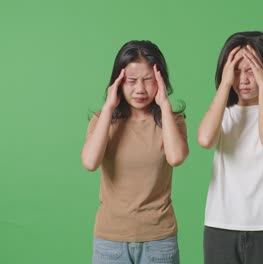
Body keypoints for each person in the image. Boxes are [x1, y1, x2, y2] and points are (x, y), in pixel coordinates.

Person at [81, 40, 188, 264]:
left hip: (159, 241)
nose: (140, 89)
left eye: (148, 80)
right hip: (110, 242)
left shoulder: (172, 121)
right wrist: (109, 108)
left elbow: (177, 157)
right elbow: (90, 163)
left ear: (160, 81)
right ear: (118, 82)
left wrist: (165, 106)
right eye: (131, 81)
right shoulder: (103, 121)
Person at [197, 31, 263, 264]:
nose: (243, 79)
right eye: (235, 70)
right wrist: (224, 84)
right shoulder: (222, 114)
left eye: (251, 69)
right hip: (220, 226)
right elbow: (204, 140)